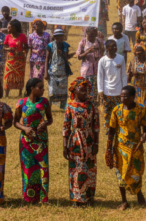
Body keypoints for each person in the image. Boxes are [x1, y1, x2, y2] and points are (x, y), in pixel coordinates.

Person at [106, 85, 146, 210]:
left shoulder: (141, 110)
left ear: (132, 97)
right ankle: (124, 201)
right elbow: (112, 130)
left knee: (136, 171)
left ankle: (138, 192)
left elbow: (145, 127)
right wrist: (109, 148)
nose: (122, 98)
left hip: (136, 147)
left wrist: (144, 136)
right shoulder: (116, 110)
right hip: (120, 147)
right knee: (121, 173)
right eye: (121, 96)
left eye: (125, 96)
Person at [14, 78, 52, 204]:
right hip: (26, 140)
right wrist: (25, 128)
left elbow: (50, 119)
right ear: (32, 88)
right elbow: (15, 122)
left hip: (41, 140)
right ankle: (28, 197)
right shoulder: (21, 102)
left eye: (43, 87)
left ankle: (43, 197)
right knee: (28, 168)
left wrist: (45, 123)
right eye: (40, 87)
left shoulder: (45, 102)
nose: (43, 90)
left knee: (43, 167)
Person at [63, 77, 99, 206]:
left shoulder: (92, 106)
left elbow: (96, 127)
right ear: (75, 91)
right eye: (82, 90)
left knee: (89, 168)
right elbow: (66, 127)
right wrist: (64, 146)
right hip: (75, 141)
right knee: (75, 169)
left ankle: (88, 197)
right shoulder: (70, 106)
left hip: (89, 140)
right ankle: (76, 198)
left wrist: (96, 143)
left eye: (86, 91)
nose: (85, 93)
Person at [98, 39, 128, 127]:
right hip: (107, 91)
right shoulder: (102, 60)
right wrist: (100, 91)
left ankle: (119, 126)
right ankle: (108, 128)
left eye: (115, 45)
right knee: (107, 111)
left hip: (118, 91)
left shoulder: (120, 58)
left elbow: (123, 75)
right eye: (112, 46)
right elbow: (100, 76)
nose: (115, 48)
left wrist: (125, 89)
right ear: (107, 48)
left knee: (119, 111)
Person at [45, 28, 72, 110]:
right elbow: (47, 59)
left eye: (61, 36)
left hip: (63, 71)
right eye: (58, 37)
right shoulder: (50, 46)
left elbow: (66, 58)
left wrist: (64, 55)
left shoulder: (65, 45)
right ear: (55, 37)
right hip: (53, 71)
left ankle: (63, 106)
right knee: (52, 90)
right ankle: (50, 107)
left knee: (63, 90)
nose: (60, 38)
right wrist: (45, 73)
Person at [76, 26, 104, 101]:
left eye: (94, 34)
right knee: (86, 88)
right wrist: (88, 52)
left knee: (95, 90)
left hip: (97, 69)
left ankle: (94, 106)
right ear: (87, 33)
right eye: (91, 34)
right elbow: (79, 57)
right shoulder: (83, 42)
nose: (93, 36)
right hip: (86, 70)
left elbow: (104, 51)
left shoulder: (99, 41)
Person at [4, 19, 28, 98]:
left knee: (20, 76)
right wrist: (9, 49)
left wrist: (24, 53)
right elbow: (4, 47)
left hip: (20, 59)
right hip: (10, 59)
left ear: (14, 27)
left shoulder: (22, 36)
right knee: (8, 76)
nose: (8, 28)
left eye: (10, 27)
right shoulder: (7, 36)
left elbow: (26, 47)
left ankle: (20, 93)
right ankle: (6, 94)